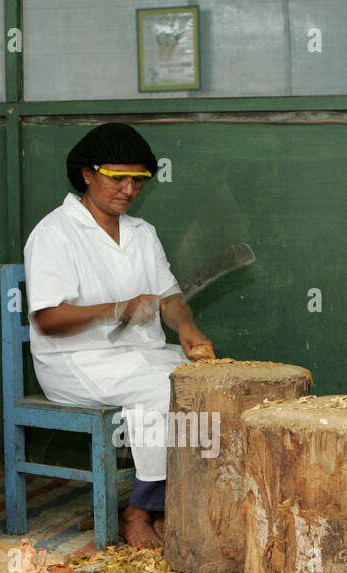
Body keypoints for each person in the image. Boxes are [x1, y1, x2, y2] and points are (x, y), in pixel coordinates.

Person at [23, 122, 213, 549]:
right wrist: (117, 309)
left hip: (137, 353)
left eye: (138, 181)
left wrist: (186, 326)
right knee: (161, 390)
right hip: (76, 361)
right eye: (117, 178)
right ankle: (138, 511)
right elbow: (49, 319)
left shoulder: (142, 234)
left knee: (209, 383)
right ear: (87, 174)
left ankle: (174, 504)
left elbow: (171, 297)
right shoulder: (54, 233)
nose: (128, 189)